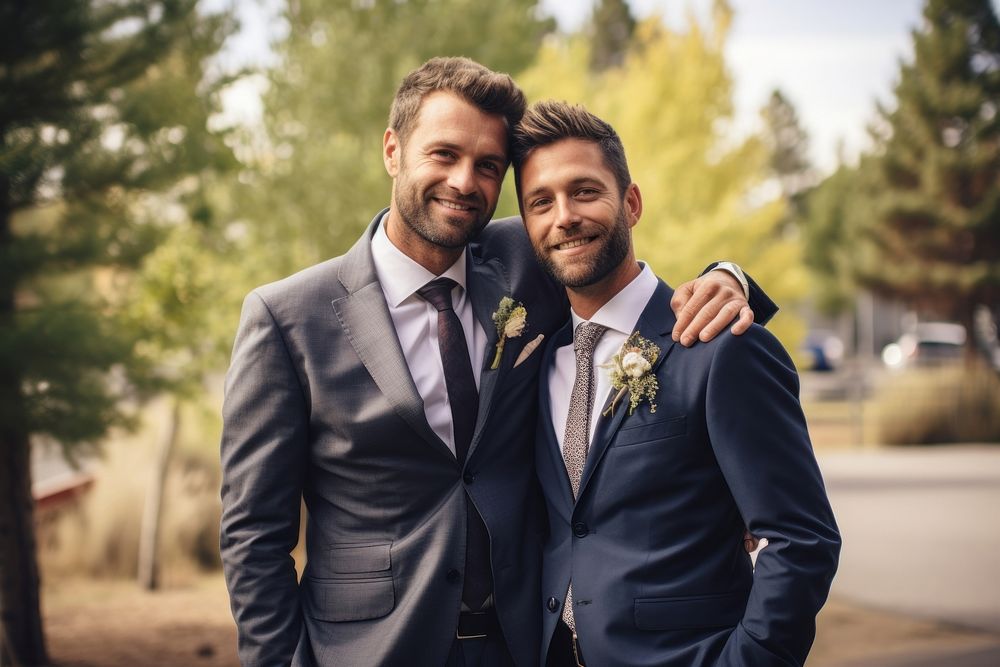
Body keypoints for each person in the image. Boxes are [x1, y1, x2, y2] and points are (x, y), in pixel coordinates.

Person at [219, 57, 774, 667]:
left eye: (488, 167)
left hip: (524, 646)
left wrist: (729, 277)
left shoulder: (526, 256)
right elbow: (254, 538)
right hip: (366, 649)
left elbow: (628, 282)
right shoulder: (286, 318)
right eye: (443, 154)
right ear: (392, 150)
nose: (464, 182)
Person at [511, 101, 840, 667]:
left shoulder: (721, 346)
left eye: (585, 191)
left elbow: (802, 540)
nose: (563, 216)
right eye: (541, 202)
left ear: (631, 204)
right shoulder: (534, 357)